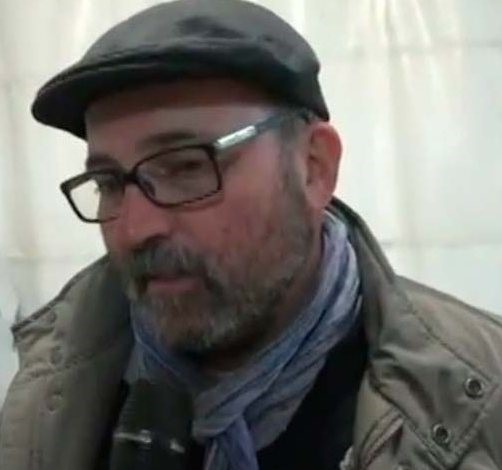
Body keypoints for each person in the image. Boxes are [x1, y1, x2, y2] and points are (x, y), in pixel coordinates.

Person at [1, 1, 501, 469]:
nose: (135, 229)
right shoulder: (45, 403)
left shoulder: (480, 404)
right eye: (109, 183)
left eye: (186, 167)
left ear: (313, 168)